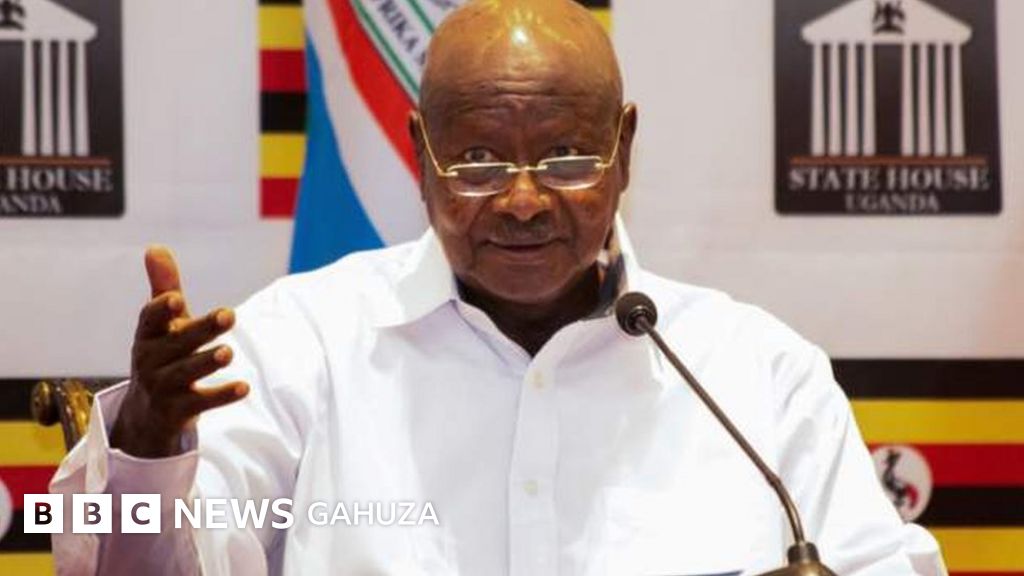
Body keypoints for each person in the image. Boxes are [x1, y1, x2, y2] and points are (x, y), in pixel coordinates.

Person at [51, 0, 946, 574]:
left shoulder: (758, 374)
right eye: (478, 160)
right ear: (420, 155)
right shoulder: (299, 344)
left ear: (624, 150)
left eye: (567, 157)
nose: (522, 201)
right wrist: (146, 447)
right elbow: (109, 566)